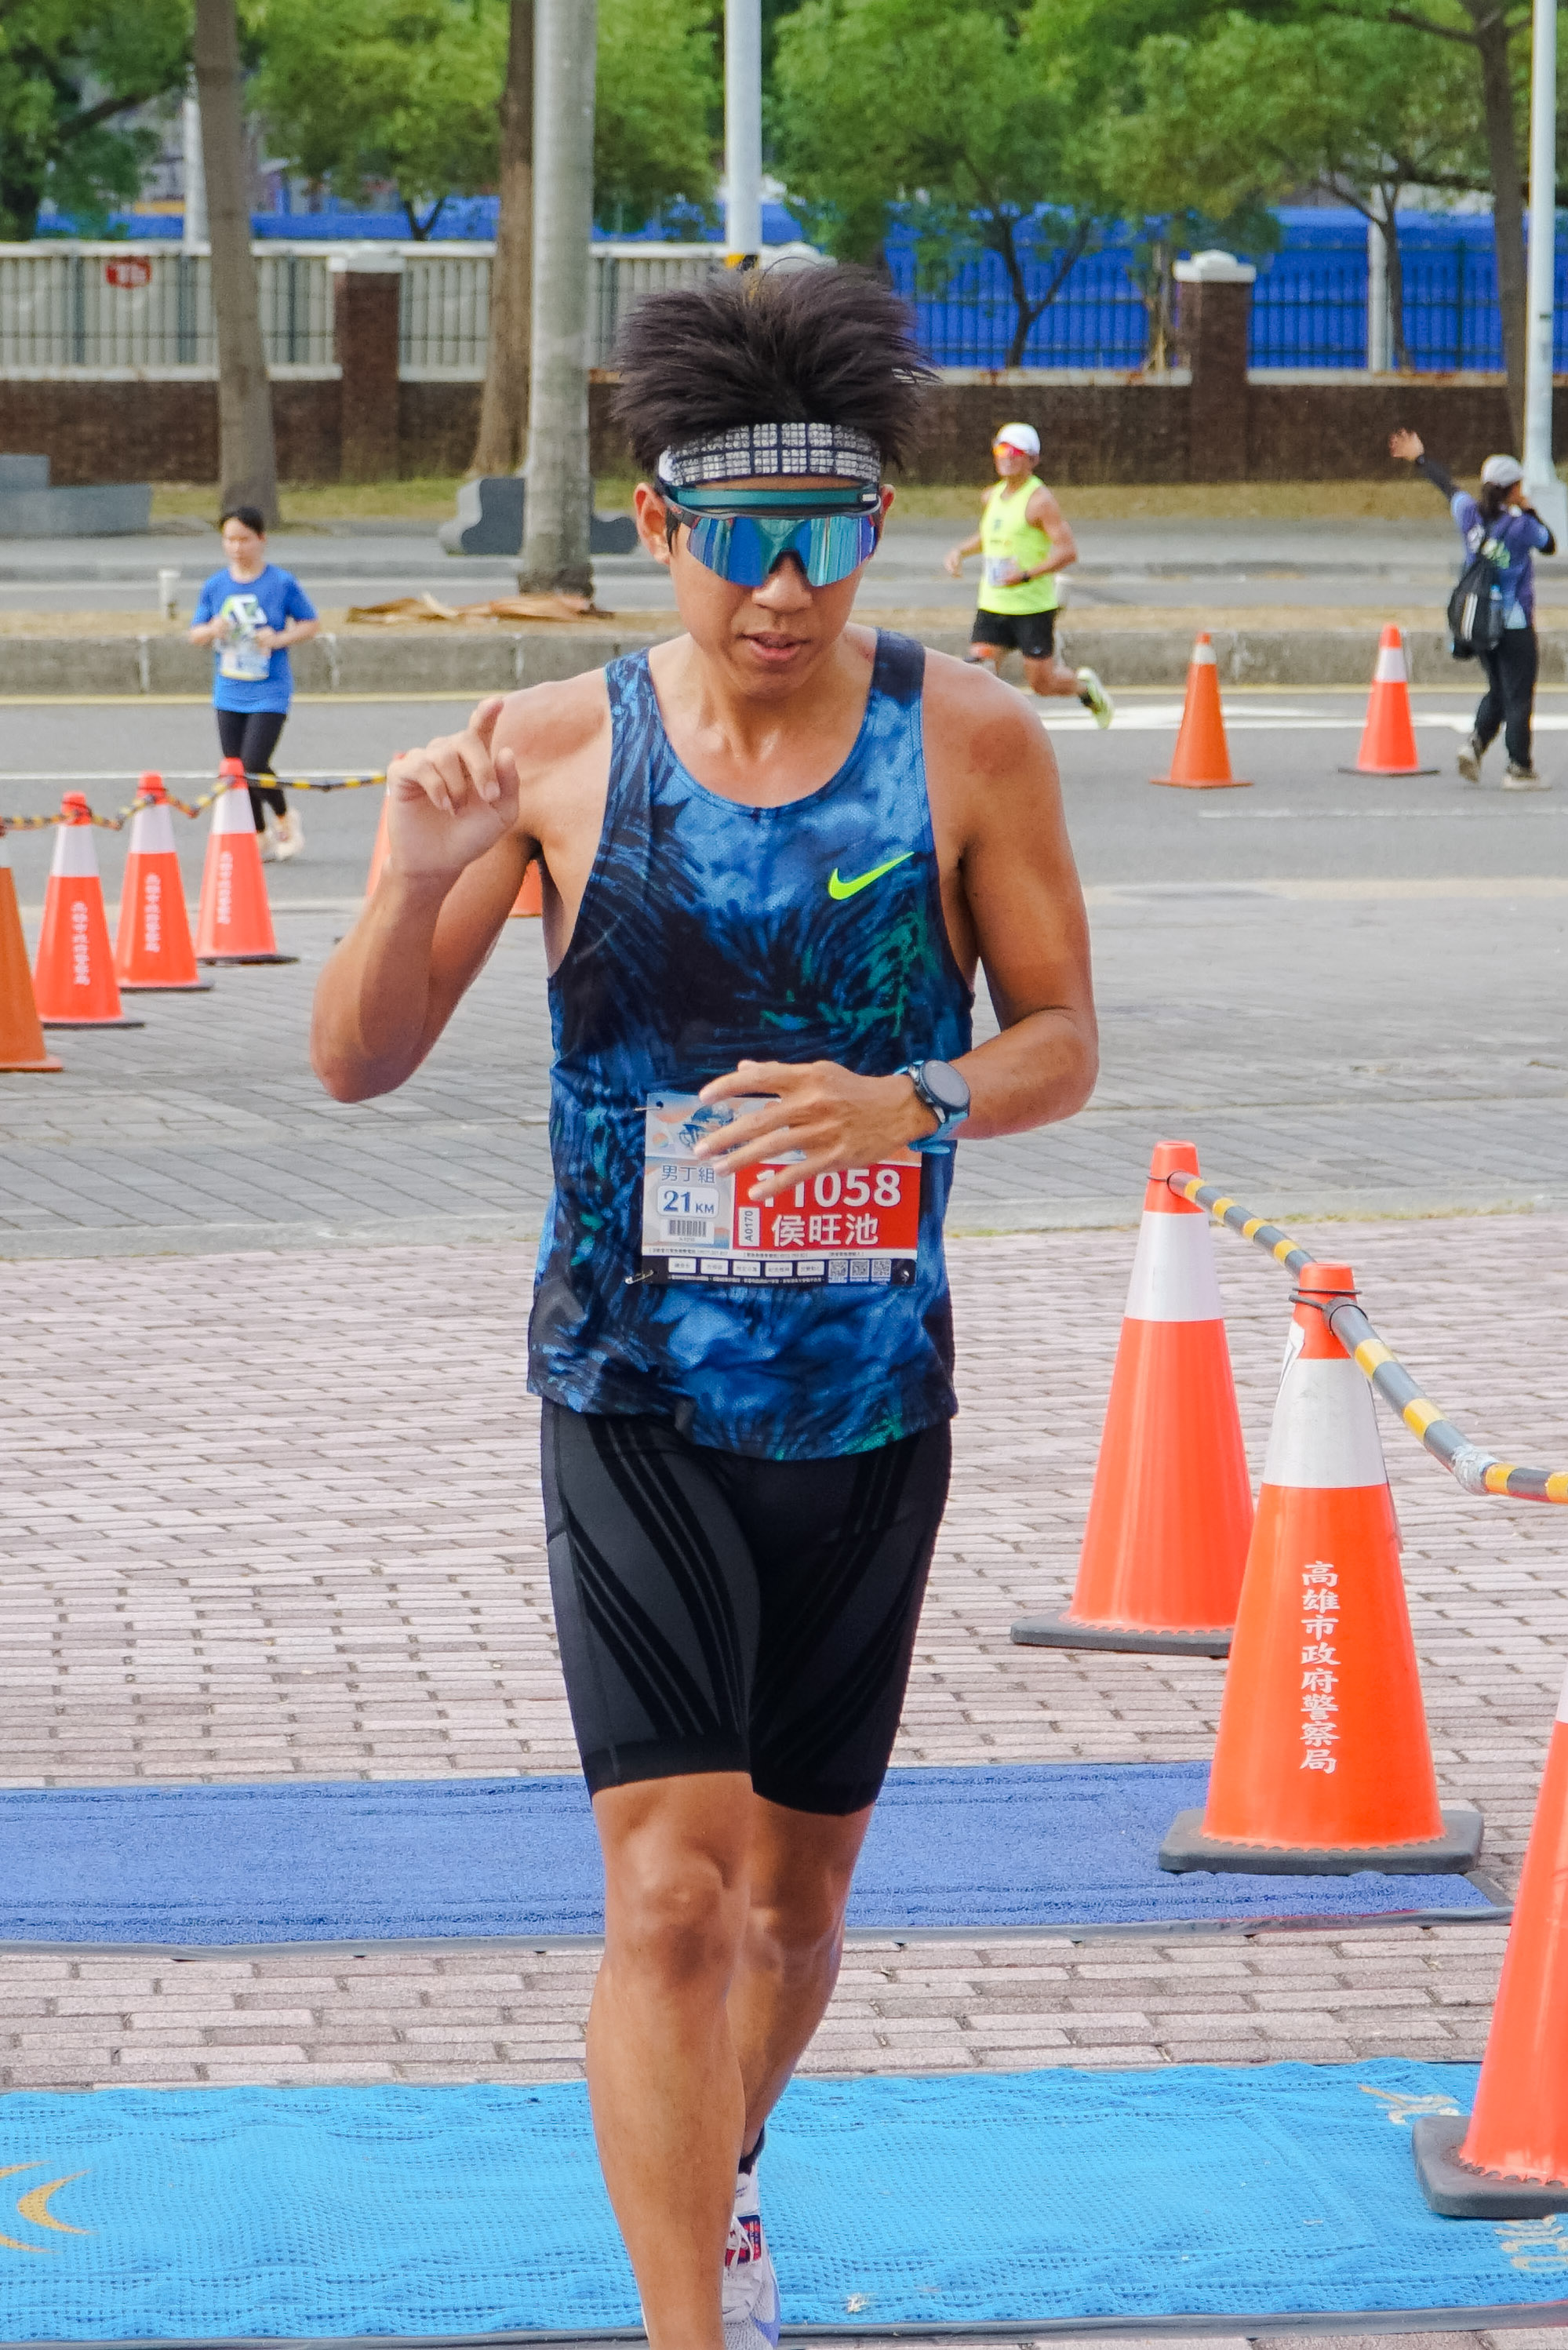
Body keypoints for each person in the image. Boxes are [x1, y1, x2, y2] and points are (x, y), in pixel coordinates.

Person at [310, 267, 1097, 2350]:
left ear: (879, 526)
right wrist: (414, 874)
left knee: (792, 1901)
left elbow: (1060, 1044)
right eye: (738, 540)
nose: (781, 588)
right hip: (631, 1387)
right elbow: (355, 1062)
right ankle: (688, 2326)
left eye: (824, 539)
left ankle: (715, 2172)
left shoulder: (970, 740)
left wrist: (906, 1095)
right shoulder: (554, 752)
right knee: (667, 1893)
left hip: (866, 1402)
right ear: (656, 526)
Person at [1389, 429, 1555, 790]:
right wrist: (1530, 509)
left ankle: (1475, 745)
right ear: (1513, 489)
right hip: (1513, 623)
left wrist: (1420, 458)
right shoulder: (1522, 527)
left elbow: (1446, 486)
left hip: (1478, 621)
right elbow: (1550, 545)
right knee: (1518, 695)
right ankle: (1519, 768)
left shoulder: (1468, 513)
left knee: (1498, 689)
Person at [944, 421, 1113, 726]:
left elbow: (1067, 551)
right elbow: (990, 535)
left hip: (1032, 608)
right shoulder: (991, 496)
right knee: (977, 672)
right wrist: (960, 551)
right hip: (993, 604)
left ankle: (1085, 688)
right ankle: (990, 735)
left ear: (1032, 459)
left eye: (1015, 452)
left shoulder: (1040, 501)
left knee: (1042, 684)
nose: (1006, 458)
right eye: (1001, 450)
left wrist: (1025, 575)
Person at [190, 506, 321, 857]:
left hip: (269, 690)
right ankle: (258, 833)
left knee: (253, 763)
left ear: (262, 539)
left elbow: (310, 623)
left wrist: (278, 639)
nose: (236, 548)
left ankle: (284, 818)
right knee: (236, 769)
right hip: (229, 688)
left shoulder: (280, 583)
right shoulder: (216, 585)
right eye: (229, 540)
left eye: (244, 539)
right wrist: (212, 629)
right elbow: (195, 633)